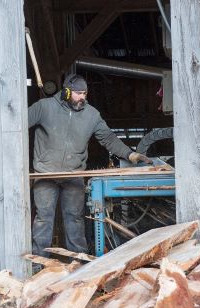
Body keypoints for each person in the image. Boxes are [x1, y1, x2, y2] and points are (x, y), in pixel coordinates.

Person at [28, 74, 151, 256]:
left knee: (75, 219)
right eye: (78, 93)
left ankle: (79, 263)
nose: (82, 98)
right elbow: (17, 124)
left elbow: (108, 138)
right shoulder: (44, 107)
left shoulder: (91, 115)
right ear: (67, 92)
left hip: (73, 175)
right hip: (45, 173)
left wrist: (130, 154)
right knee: (44, 219)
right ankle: (38, 263)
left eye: (85, 93)